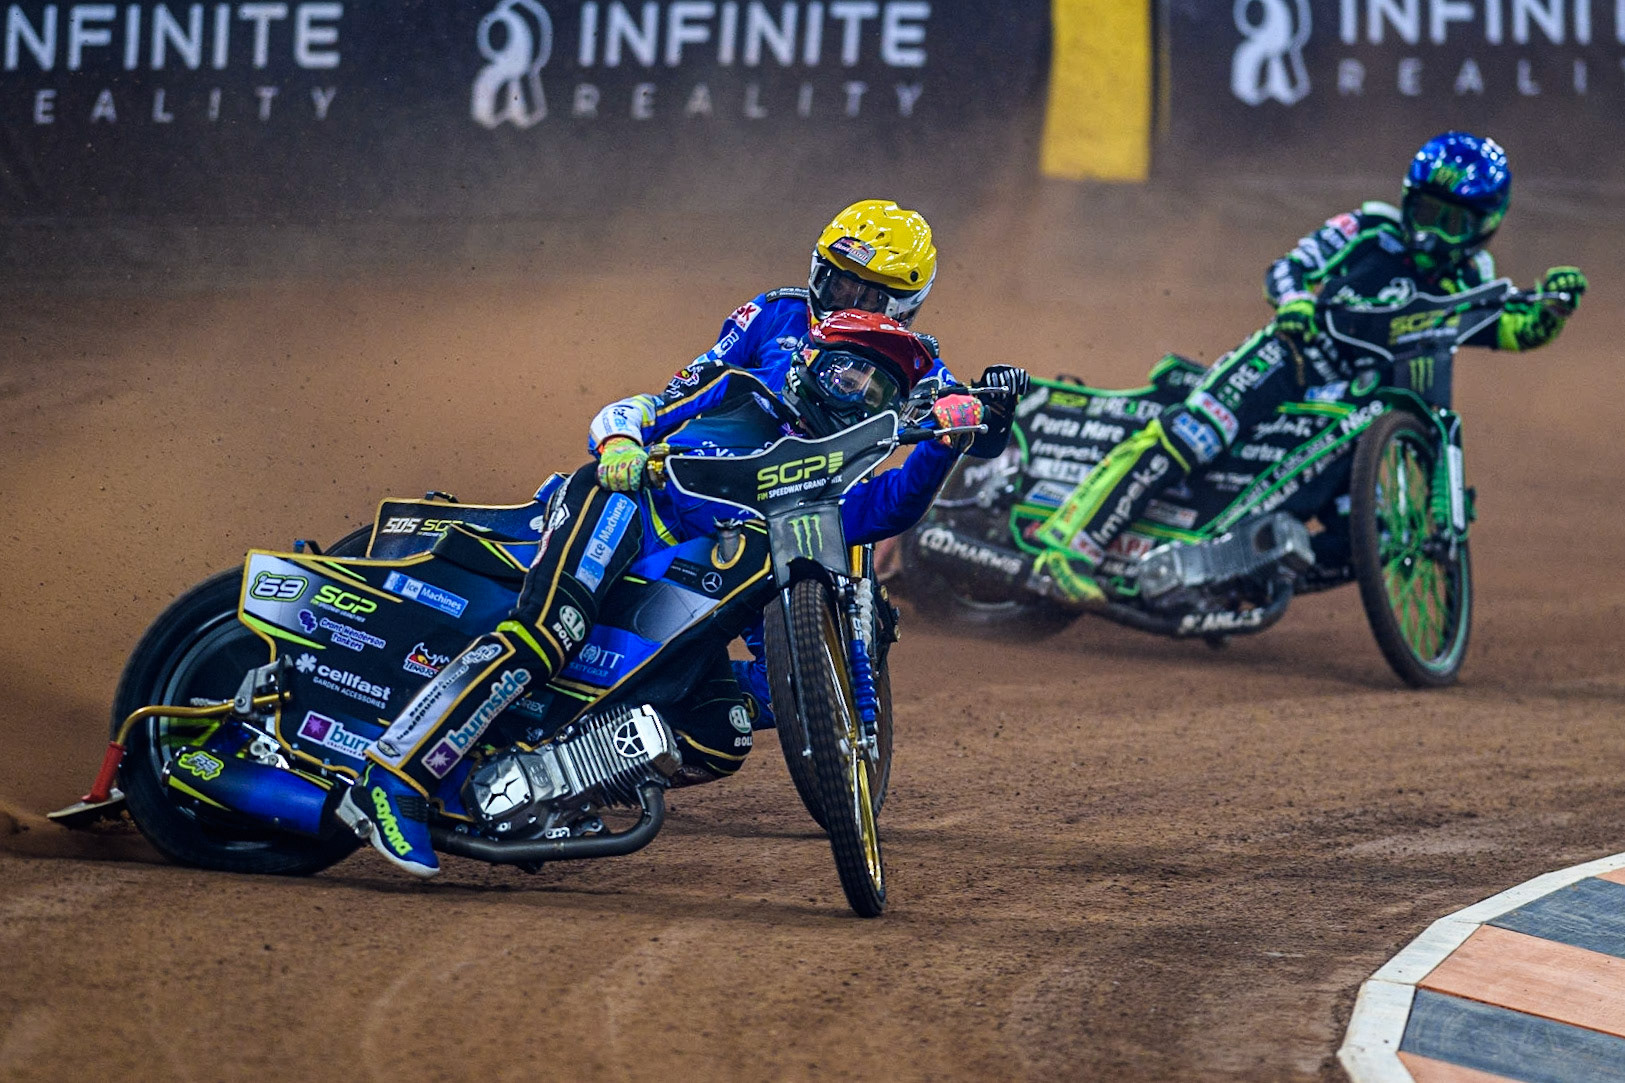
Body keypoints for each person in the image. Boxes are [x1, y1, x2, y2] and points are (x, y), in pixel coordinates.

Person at [336, 309, 1027, 878]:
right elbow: (635, 408)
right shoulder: (742, 392)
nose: (856, 393)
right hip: (621, 509)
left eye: (875, 391)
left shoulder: (826, 497)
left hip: (674, 604)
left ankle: (539, 791)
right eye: (846, 372)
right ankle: (394, 775)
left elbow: (897, 505)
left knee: (721, 730)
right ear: (809, 363)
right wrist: (619, 443)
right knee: (551, 630)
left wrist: (944, 442)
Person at [1030, 130, 1588, 605]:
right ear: (1406, 199)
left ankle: (1233, 577)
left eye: (1454, 222)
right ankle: (1068, 545)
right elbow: (1289, 268)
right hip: (1292, 358)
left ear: (1486, 226)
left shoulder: (1473, 279)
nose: (1433, 233)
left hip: (1355, 411)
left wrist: (1553, 311)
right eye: (1425, 213)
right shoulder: (1368, 228)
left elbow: (1511, 331)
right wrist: (1295, 302)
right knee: (1195, 434)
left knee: (1372, 536)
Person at [667, 198, 1027, 724]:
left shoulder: (910, 359)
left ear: (904, 305)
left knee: (785, 692)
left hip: (827, 503)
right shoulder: (772, 313)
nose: (847, 303)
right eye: (839, 284)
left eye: (869, 296)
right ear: (819, 270)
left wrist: (993, 409)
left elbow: (971, 431)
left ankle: (697, 711)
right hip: (724, 497)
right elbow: (690, 384)